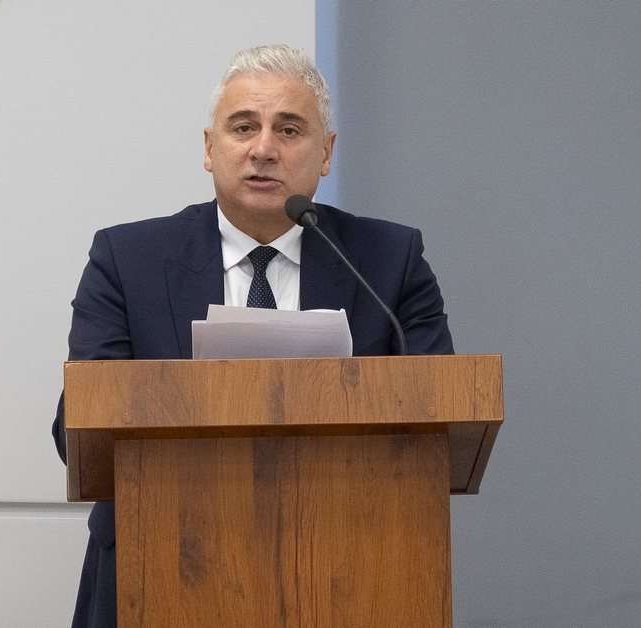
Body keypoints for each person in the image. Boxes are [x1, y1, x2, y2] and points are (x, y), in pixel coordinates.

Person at [52, 44, 454, 628]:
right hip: (158, 566)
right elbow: (78, 430)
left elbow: (438, 416)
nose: (263, 149)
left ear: (326, 153)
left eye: (289, 129)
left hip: (350, 570)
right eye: (243, 127)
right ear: (209, 148)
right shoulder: (127, 259)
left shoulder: (389, 261)